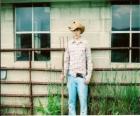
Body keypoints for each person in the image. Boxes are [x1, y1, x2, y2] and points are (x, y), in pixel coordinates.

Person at [61, 21, 93, 115]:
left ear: (80, 31)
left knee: (83, 102)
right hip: (71, 77)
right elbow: (66, 61)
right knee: (71, 102)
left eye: (77, 30)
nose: (75, 32)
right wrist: (64, 74)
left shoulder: (85, 43)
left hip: (82, 78)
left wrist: (89, 76)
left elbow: (89, 60)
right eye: (74, 30)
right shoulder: (69, 44)